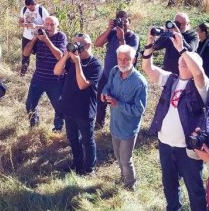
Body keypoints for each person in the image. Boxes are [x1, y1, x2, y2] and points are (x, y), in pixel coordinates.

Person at [141, 28, 209, 211]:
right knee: (169, 183)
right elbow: (148, 68)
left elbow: (198, 70)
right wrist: (149, 45)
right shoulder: (171, 80)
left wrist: (183, 49)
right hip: (165, 143)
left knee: (194, 185)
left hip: (187, 147)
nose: (183, 61)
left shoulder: (201, 87)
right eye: (181, 59)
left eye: (187, 60)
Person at [54, 33, 103, 175]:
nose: (78, 47)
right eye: (75, 43)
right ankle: (77, 164)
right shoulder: (71, 60)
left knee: (88, 141)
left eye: (81, 44)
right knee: (73, 138)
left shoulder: (95, 65)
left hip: (85, 109)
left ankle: (89, 169)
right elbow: (56, 71)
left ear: (89, 45)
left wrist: (77, 63)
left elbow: (82, 85)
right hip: (69, 107)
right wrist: (66, 55)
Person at [101, 45, 148, 190]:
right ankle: (123, 178)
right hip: (115, 124)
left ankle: (130, 186)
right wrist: (104, 93)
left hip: (128, 128)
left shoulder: (139, 82)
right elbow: (108, 86)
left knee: (126, 160)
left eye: (126, 59)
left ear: (133, 60)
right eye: (120, 59)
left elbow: (139, 110)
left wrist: (118, 104)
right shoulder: (115, 71)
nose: (122, 62)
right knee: (118, 156)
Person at [94, 10, 140, 130]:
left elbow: (126, 55)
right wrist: (109, 29)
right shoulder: (113, 33)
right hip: (107, 74)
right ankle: (99, 123)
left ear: (130, 22)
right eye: (120, 21)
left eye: (125, 21)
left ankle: (120, 127)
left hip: (122, 77)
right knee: (101, 99)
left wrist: (121, 39)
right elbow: (97, 43)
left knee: (119, 102)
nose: (122, 24)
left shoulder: (133, 37)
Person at [24, 16, 67, 131]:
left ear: (57, 25)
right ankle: (34, 125)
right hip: (38, 77)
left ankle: (57, 129)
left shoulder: (60, 36)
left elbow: (60, 56)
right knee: (30, 105)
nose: (49, 27)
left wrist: (46, 40)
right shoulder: (40, 37)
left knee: (59, 107)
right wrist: (35, 38)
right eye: (46, 24)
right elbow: (26, 53)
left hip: (55, 80)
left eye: (52, 24)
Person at [18, 0, 50, 76]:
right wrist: (24, 24)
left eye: (31, 7)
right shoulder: (24, 9)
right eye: (28, 7)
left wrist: (36, 26)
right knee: (25, 55)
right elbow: (20, 22)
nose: (29, 9)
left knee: (40, 57)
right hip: (27, 36)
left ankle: (39, 74)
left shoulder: (42, 10)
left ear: (34, 4)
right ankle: (22, 74)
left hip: (39, 37)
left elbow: (48, 25)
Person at [195, 22, 209, 88]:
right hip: (199, 78)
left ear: (203, 33)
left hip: (206, 81)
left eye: (197, 31)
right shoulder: (200, 43)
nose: (195, 32)